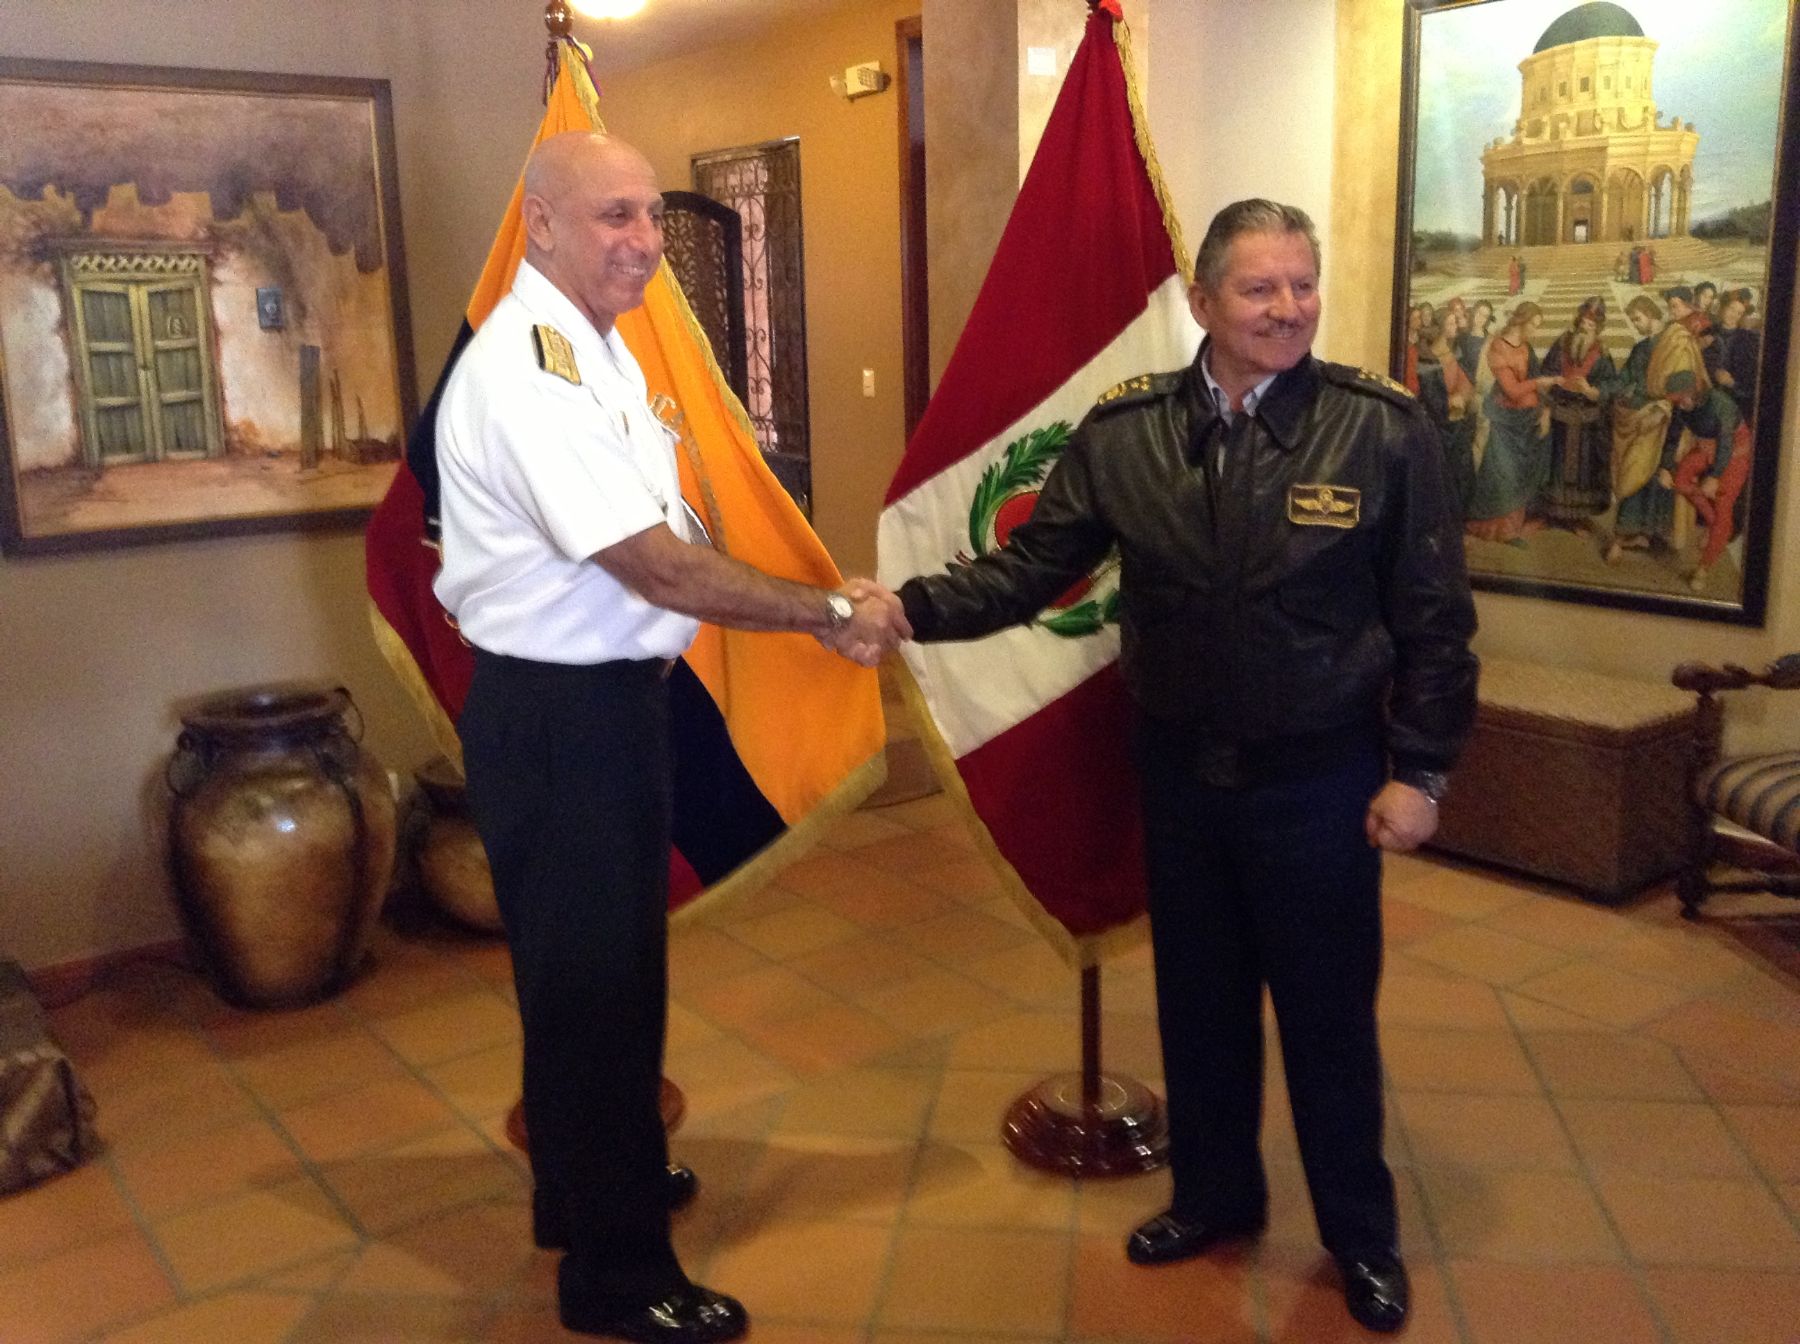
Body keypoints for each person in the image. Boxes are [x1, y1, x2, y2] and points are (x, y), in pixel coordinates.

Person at [891, 200, 1478, 1335]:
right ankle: (1213, 1199)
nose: (1288, 309)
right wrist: (905, 609)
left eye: (1303, 285)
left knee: (1327, 1020)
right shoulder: (1126, 433)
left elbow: (1436, 622)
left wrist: (1423, 771)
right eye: (1260, 289)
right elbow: (1030, 569)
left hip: (1319, 780)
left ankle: (1361, 1235)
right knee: (1199, 1007)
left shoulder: (1382, 430)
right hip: (1179, 774)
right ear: (1202, 304)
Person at [432, 131, 907, 1342]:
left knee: (585, 981)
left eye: (650, 215)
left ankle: (587, 1191)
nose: (644, 240)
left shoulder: (589, 349)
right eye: (612, 217)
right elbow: (647, 558)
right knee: (599, 991)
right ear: (538, 226)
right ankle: (618, 1274)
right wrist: (825, 611)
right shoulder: (529, 371)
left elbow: (660, 518)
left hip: (590, 707)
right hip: (563, 718)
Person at [1465, 301, 1553, 544]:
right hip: (1505, 421)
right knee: (1504, 475)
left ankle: (1516, 526)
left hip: (1527, 419)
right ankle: (1499, 529)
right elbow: (1512, 391)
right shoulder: (1498, 347)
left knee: (1523, 471)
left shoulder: (1526, 347)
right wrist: (1541, 383)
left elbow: (1534, 378)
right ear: (1521, 321)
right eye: (1533, 325)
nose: (1535, 331)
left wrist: (1545, 410)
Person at [1538, 297, 1617, 530]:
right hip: (1560, 416)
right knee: (1557, 466)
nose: (1586, 327)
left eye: (1592, 325)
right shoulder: (1562, 342)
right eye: (1584, 322)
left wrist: (1592, 391)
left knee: (1583, 470)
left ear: (1598, 328)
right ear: (1578, 320)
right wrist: (1554, 384)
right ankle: (1553, 513)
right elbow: (1547, 370)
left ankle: (1577, 518)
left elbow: (1611, 384)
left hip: (1586, 422)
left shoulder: (1603, 351)